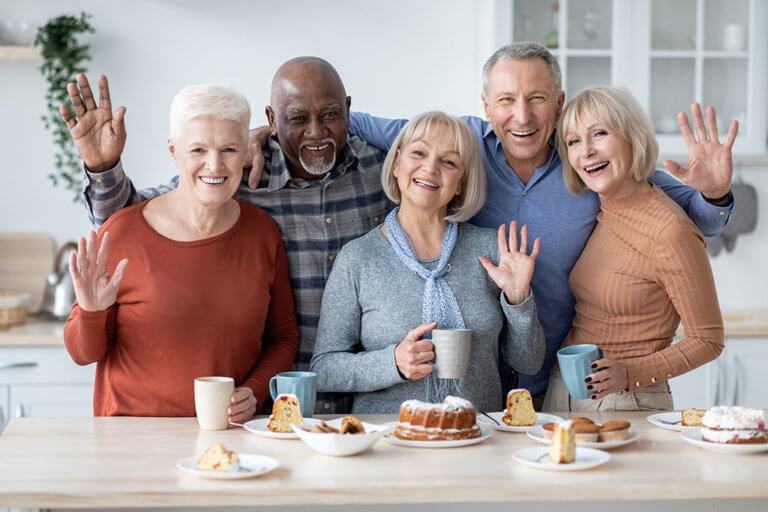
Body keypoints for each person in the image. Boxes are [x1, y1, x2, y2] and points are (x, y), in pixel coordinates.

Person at [341, 42, 735, 408]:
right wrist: (280, 130)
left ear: (559, 103)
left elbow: (687, 212)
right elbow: (365, 126)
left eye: (538, 99)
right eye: (506, 100)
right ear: (486, 106)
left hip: (558, 381)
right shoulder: (460, 145)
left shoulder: (589, 165)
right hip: (483, 388)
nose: (522, 116)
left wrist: (715, 194)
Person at [70, 58, 392, 414]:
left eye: (329, 114)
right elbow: (141, 217)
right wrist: (103, 168)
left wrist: (253, 391)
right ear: (272, 121)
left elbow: (445, 170)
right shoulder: (240, 177)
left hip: (354, 400)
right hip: (259, 411)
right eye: (298, 118)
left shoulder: (386, 171)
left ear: (347, 110)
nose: (315, 131)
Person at [62, 84, 299, 421]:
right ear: (174, 152)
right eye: (198, 150)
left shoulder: (262, 232)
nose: (214, 165)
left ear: (246, 150)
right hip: (129, 439)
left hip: (224, 437)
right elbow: (82, 354)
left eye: (229, 149)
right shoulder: (122, 231)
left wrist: (256, 389)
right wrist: (90, 311)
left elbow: (283, 337)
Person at [310, 112, 544, 413]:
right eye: (418, 153)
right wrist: (392, 362)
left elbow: (528, 362)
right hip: (389, 444)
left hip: (474, 440)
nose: (430, 167)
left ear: (460, 183)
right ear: (396, 164)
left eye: (449, 162)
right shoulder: (358, 258)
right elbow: (324, 369)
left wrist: (518, 299)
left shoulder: (493, 250)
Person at [541, 86, 728, 411]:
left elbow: (708, 340)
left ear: (633, 137)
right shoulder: (603, 209)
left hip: (624, 400)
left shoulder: (668, 229)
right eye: (573, 141)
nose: (585, 151)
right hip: (563, 393)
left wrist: (630, 373)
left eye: (599, 133)